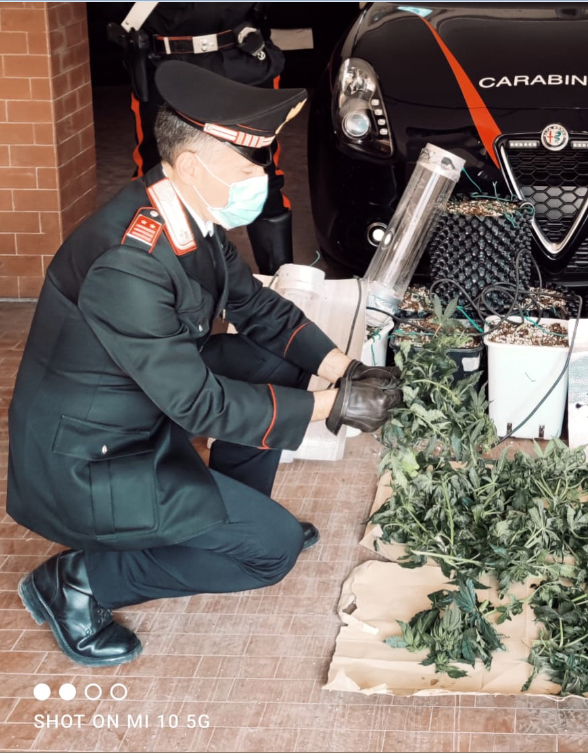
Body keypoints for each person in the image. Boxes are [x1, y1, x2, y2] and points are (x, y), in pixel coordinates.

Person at [7, 62, 402, 667]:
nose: (261, 179)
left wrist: (342, 369)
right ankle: (79, 582)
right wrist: (333, 405)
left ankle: (235, 512)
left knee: (271, 362)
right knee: (270, 553)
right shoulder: (129, 262)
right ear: (192, 165)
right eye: (247, 168)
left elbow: (256, 307)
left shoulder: (188, 212)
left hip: (138, 403)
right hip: (93, 457)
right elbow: (198, 404)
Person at [106, 2, 295, 275]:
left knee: (258, 169)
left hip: (241, 57)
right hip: (164, 66)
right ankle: (167, 281)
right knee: (161, 175)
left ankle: (280, 281)